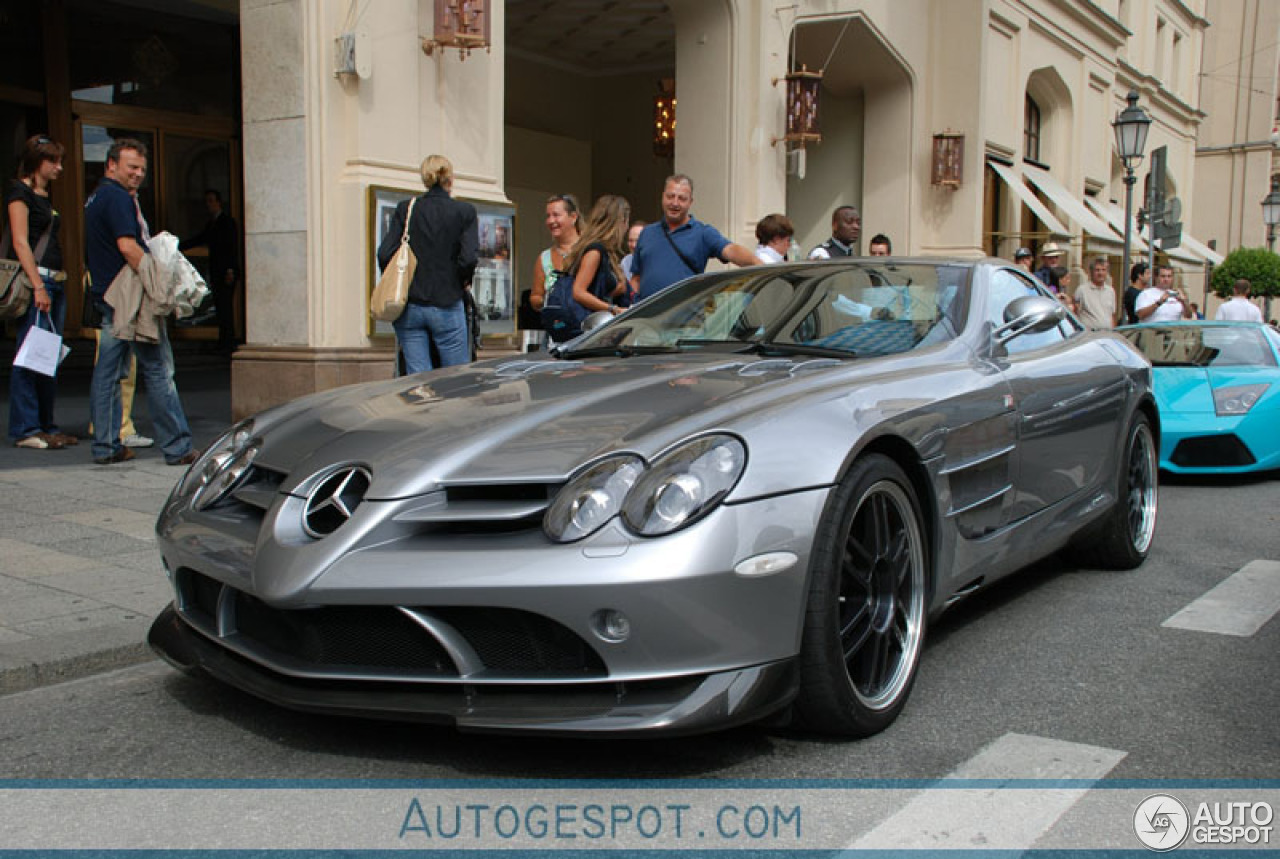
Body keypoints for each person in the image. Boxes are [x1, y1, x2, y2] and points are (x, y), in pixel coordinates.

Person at [85, 138, 195, 466]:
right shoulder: (117, 198)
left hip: (108, 297)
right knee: (159, 369)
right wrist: (158, 285)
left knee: (107, 374)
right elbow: (128, 247)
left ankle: (105, 446)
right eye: (132, 167)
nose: (138, 174)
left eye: (142, 169)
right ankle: (177, 447)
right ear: (111, 165)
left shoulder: (96, 197)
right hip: (130, 298)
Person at [5, 135, 76, 450]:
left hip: (54, 281)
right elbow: (20, 241)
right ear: (38, 162)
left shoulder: (43, 195)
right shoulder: (18, 191)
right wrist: (37, 285)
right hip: (41, 281)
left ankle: (46, 425)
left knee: (47, 356)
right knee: (30, 355)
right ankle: (25, 429)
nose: (59, 168)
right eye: (54, 161)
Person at [376, 154, 478, 374]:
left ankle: (423, 408)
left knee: (418, 378)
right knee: (455, 377)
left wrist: (400, 280)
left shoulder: (407, 209)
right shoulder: (464, 212)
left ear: (425, 178)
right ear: (450, 178)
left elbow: (384, 253)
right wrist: (461, 281)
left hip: (410, 304)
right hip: (448, 302)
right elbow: (468, 258)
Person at [629, 174, 757, 301]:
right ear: (663, 196)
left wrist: (759, 264)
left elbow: (730, 250)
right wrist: (633, 304)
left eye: (682, 198)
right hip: (647, 318)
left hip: (686, 318)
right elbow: (636, 278)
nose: (675, 203)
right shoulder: (647, 233)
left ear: (690, 202)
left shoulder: (703, 233)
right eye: (670, 196)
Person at [550, 194, 630, 341]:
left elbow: (596, 288)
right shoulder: (595, 250)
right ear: (620, 221)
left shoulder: (605, 251)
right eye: (626, 221)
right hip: (585, 330)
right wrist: (613, 309)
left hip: (591, 329)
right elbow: (579, 292)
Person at [179, 188, 239, 353]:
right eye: (207, 202)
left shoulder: (227, 223)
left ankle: (228, 343)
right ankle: (223, 342)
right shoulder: (212, 224)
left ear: (219, 203)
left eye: (212, 201)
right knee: (220, 307)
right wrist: (178, 246)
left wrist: (230, 270)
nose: (209, 205)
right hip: (216, 271)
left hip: (226, 271)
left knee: (225, 308)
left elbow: (231, 248)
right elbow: (200, 239)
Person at [529, 194, 580, 313]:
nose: (551, 221)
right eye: (548, 216)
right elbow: (535, 297)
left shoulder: (590, 250)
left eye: (556, 215)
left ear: (573, 217)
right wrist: (550, 300)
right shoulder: (544, 258)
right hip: (558, 326)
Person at [1073, 256, 1117, 330]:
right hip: (1089, 335)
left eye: (1103, 270)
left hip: (1106, 334)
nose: (1100, 273)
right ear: (1091, 272)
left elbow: (1112, 315)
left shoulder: (1111, 291)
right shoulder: (1082, 290)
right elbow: (1074, 312)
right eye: (1097, 270)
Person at [619, 219, 645, 305]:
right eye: (630, 240)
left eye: (637, 241)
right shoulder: (626, 261)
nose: (633, 245)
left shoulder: (656, 261)